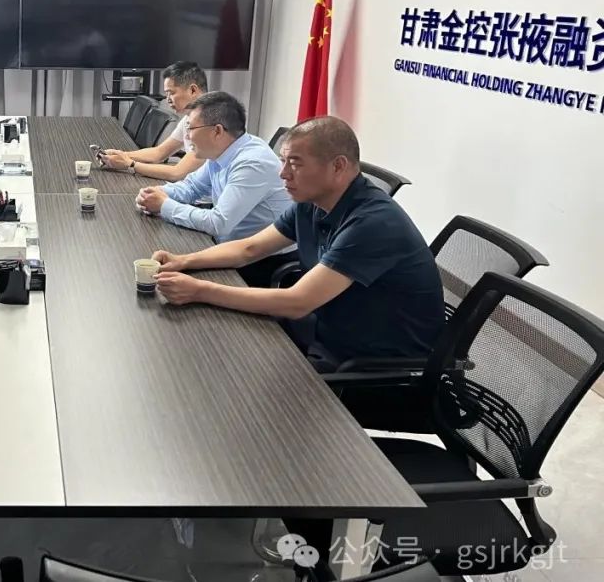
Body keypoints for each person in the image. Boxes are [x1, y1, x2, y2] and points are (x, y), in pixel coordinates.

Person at [151, 116, 444, 372]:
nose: (283, 174)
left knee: (234, 373)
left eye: (295, 163)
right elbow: (249, 249)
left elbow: (297, 302)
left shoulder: (374, 223)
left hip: (370, 363)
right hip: (328, 328)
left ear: (338, 166)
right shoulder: (312, 202)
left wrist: (199, 290)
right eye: (283, 161)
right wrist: (184, 260)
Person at [135, 91, 294, 287]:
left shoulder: (253, 163)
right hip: (227, 247)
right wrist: (155, 193)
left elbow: (219, 223)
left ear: (217, 131)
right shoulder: (223, 150)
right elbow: (192, 187)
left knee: (165, 280)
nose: (187, 136)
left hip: (260, 263)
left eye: (191, 128)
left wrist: (163, 205)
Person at [100, 61, 209, 181]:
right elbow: (159, 153)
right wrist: (121, 155)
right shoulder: (189, 118)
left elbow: (176, 173)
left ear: (193, 90)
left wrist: (130, 164)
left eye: (171, 93)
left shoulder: (209, 123)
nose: (168, 99)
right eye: (166, 94)